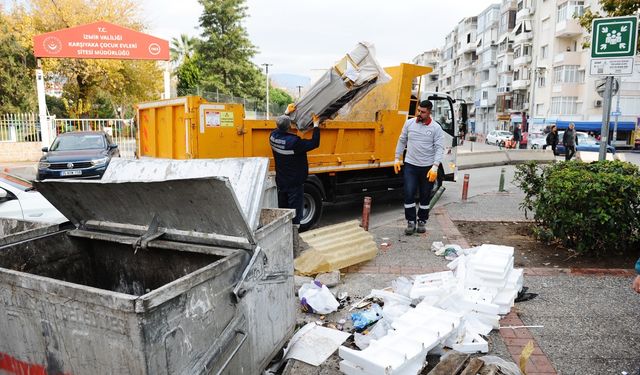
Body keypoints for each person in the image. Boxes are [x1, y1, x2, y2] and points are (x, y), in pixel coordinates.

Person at [394, 100, 445, 235]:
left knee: (424, 195)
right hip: (410, 165)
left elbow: (439, 148)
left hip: (427, 167)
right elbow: (402, 139)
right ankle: (411, 221)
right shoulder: (409, 123)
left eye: (423, 112)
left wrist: (435, 166)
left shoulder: (436, 128)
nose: (419, 114)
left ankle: (422, 220)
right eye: (418, 111)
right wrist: (397, 158)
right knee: (409, 193)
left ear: (429, 112)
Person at [269, 104, 321, 228]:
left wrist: (286, 113)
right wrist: (316, 125)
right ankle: (294, 233)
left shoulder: (272, 137)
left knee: (284, 209)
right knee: (295, 209)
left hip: (282, 181)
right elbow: (315, 143)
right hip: (294, 183)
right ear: (289, 127)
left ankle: (283, 230)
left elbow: (278, 128)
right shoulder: (294, 142)